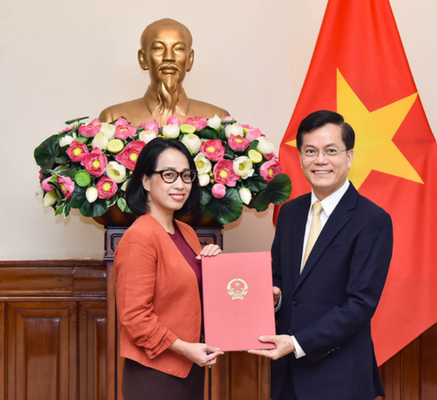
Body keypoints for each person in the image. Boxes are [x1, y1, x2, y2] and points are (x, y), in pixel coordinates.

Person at [248, 110, 393, 400]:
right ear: (300, 157)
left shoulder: (372, 219)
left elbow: (360, 304)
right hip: (287, 376)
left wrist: (298, 342)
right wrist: (275, 299)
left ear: (349, 156)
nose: (320, 160)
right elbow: (280, 280)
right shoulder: (289, 213)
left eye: (331, 151)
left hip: (340, 376)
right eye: (310, 151)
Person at [113, 138, 224, 400]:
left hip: (189, 367)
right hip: (155, 373)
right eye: (169, 175)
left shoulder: (186, 232)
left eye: (186, 176)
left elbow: (192, 297)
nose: (181, 184)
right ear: (146, 181)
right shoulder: (139, 236)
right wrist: (185, 349)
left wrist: (216, 268)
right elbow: (135, 317)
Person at [99, 18, 229, 125]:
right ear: (143, 59)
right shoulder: (113, 119)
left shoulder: (217, 120)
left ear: (190, 60)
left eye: (178, 48)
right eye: (158, 48)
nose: (169, 57)